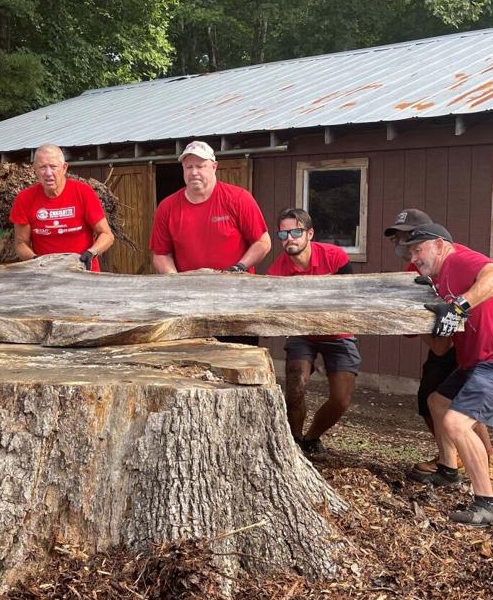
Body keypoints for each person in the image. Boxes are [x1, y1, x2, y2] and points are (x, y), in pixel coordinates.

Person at [404, 223, 493, 527]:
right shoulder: (436, 279)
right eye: (411, 252)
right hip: (476, 363)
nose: (415, 257)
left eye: (418, 249)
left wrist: (459, 306)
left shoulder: (458, 259)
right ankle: (449, 471)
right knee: (437, 402)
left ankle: (487, 505)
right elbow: (440, 349)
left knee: (456, 422)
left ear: (439, 244)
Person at [385, 208, 493, 493]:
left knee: (463, 408)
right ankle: (451, 461)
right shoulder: (413, 268)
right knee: (431, 399)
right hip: (449, 340)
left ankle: (489, 462)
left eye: (406, 237)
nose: (400, 244)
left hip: (474, 342)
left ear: (429, 238)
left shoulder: (454, 258)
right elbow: (434, 339)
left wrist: (451, 311)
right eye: (397, 239)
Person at [267, 208, 358, 455]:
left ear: (310, 233)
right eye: (283, 233)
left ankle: (312, 437)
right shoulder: (277, 271)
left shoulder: (334, 256)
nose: (289, 239)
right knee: (295, 387)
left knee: (341, 399)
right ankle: (294, 442)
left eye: (296, 232)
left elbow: (353, 296)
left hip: (338, 332)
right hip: (302, 333)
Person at [150, 141, 270, 275]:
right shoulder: (167, 207)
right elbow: (161, 255)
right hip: (188, 290)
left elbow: (263, 242)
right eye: (189, 167)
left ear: (214, 167)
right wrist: (175, 279)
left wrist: (237, 268)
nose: (194, 172)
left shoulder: (239, 198)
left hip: (235, 287)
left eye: (200, 166)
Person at [11, 143, 113, 271]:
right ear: (35, 169)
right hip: (45, 275)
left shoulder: (83, 192)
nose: (48, 173)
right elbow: (21, 243)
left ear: (64, 168)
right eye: (42, 167)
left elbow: (106, 234)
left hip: (85, 273)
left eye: (53, 167)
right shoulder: (24, 199)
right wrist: (36, 260)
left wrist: (91, 253)